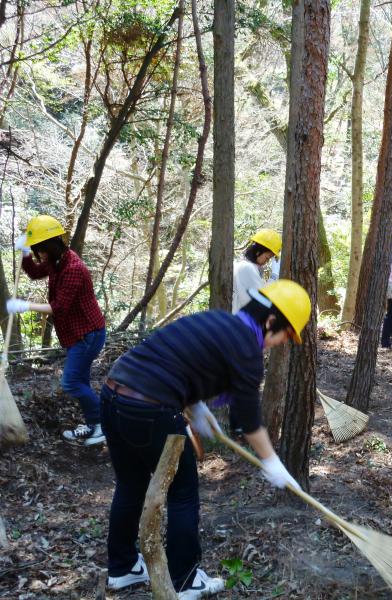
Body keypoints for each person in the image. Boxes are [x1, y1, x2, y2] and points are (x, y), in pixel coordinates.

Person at [101, 280, 311, 598]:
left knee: (130, 484)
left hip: (113, 396)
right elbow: (251, 419)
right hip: (150, 408)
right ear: (270, 321)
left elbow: (180, 361)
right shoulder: (247, 347)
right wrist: (272, 462)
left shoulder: (218, 321)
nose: (281, 342)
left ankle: (123, 568)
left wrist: (197, 406)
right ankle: (185, 582)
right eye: (284, 334)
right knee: (183, 492)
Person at [7, 215, 107, 445]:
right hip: (77, 335)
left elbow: (59, 307)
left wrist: (25, 306)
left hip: (88, 335)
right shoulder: (57, 260)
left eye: (39, 250)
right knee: (80, 381)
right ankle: (94, 424)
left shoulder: (73, 268)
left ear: (51, 245)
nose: (38, 254)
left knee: (71, 383)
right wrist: (23, 253)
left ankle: (102, 426)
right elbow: (34, 273)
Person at [232, 229, 282, 312]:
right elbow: (260, 301)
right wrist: (274, 276)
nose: (266, 262)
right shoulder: (247, 268)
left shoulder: (245, 266)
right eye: (267, 258)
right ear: (258, 251)